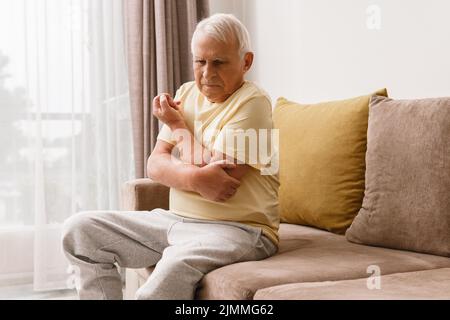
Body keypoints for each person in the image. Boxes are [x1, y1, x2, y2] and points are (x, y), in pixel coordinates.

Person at [61, 13, 279, 300]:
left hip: (241, 230)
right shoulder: (186, 93)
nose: (207, 73)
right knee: (79, 231)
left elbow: (221, 184)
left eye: (219, 62)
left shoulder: (254, 103)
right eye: (200, 61)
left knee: (161, 283)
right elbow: (155, 165)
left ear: (246, 62)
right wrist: (196, 176)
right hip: (175, 220)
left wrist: (177, 127)